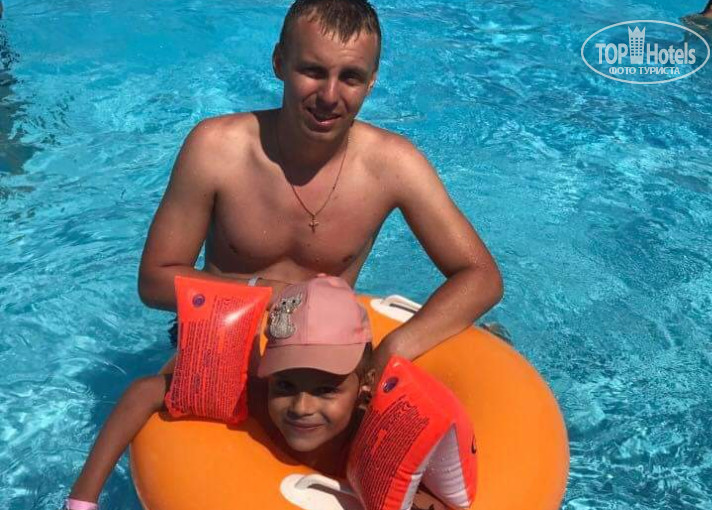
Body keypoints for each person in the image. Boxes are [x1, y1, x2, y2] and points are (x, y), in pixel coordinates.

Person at [137, 0, 503, 373]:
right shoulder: (217, 149)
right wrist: (267, 292)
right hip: (221, 343)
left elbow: (481, 277)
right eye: (313, 71)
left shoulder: (393, 166)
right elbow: (154, 281)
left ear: (372, 81)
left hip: (322, 370)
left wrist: (395, 346)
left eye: (350, 77)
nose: (329, 96)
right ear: (279, 62)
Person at [66, 276, 446, 510]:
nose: (302, 406)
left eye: (326, 389)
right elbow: (145, 391)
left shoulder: (378, 433)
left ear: (364, 389)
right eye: (285, 385)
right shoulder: (252, 398)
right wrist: (83, 499)